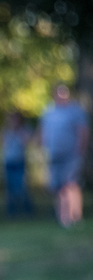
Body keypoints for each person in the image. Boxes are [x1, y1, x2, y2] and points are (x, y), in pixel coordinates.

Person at [38, 84, 89, 227]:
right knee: (58, 186)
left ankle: (74, 217)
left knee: (70, 184)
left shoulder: (75, 111)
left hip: (72, 154)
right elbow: (43, 132)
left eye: (64, 93)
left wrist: (80, 152)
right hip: (54, 154)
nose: (61, 95)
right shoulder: (48, 111)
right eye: (58, 93)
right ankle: (62, 217)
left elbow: (83, 131)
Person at [0, 111, 34, 218]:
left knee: (22, 186)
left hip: (20, 162)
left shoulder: (24, 129)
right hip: (8, 162)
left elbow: (28, 141)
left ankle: (28, 209)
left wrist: (18, 132)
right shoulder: (5, 130)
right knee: (10, 188)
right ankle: (12, 211)